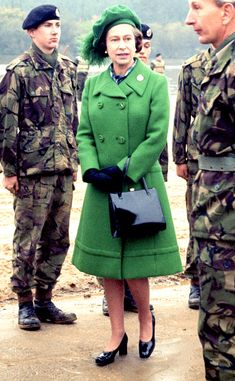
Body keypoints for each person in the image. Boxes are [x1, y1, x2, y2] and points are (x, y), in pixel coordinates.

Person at [72, 4, 182, 366]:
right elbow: (84, 132)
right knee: (108, 267)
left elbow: (155, 137)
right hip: (102, 186)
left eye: (128, 39)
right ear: (105, 46)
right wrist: (90, 170)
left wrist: (123, 170)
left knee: (135, 265)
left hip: (137, 185)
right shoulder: (93, 84)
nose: (122, 46)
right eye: (114, 39)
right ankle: (116, 333)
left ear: (137, 44)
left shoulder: (153, 82)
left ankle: (146, 323)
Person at [0, 5, 78, 331]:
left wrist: (74, 161)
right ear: (32, 32)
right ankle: (24, 303)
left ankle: (45, 299)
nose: (54, 31)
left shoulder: (68, 70)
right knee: (27, 241)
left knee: (58, 240)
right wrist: (9, 170)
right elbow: (6, 124)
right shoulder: (19, 71)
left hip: (62, 170)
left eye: (57, 25)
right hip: (32, 172)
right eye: (48, 25)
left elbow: (74, 120)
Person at [185, 1, 235, 379]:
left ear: (227, 10)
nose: (189, 18)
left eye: (198, 7)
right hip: (216, 218)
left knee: (222, 332)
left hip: (228, 225)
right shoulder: (218, 61)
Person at [172, 48, 211, 309]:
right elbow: (182, 113)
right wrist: (179, 157)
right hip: (198, 159)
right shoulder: (192, 66)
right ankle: (195, 282)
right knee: (197, 220)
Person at [137, 24, 169, 182]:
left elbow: (160, 129)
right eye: (139, 45)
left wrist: (163, 171)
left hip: (152, 163)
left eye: (147, 46)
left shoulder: (157, 81)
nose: (143, 50)